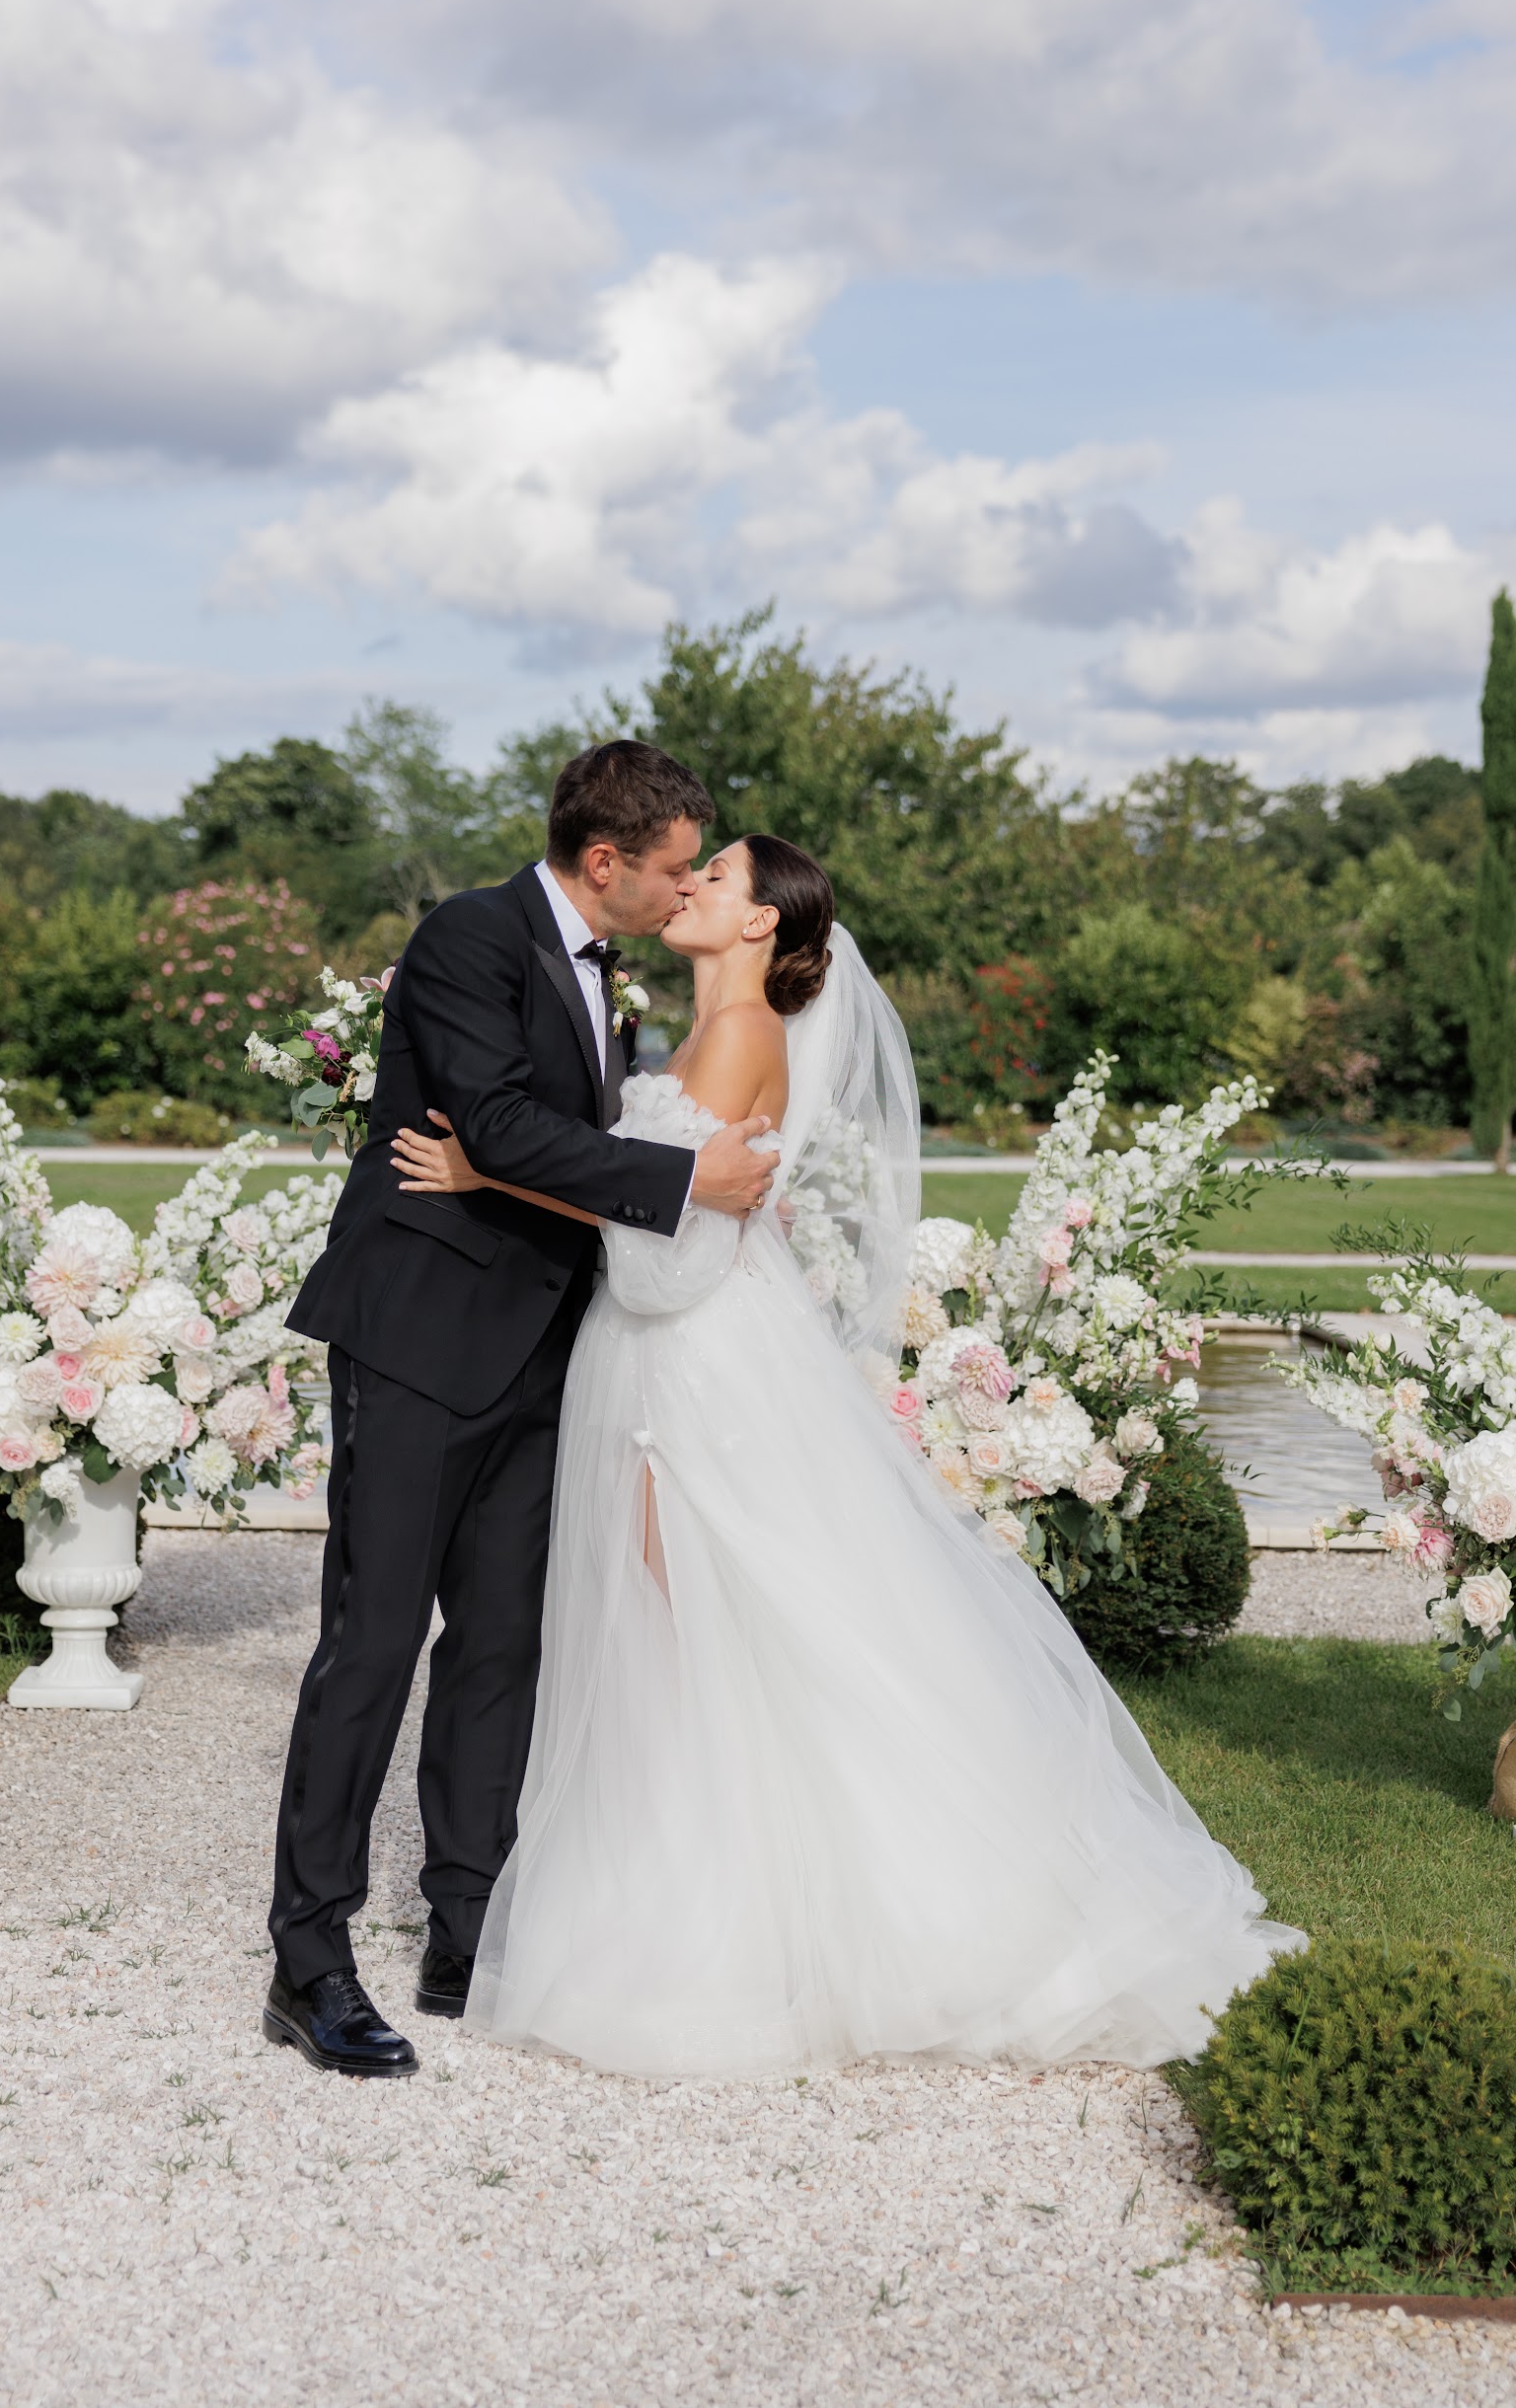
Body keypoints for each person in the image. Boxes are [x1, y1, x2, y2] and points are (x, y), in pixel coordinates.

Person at [391, 833, 1302, 2076]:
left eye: (716, 876)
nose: (693, 883)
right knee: (708, 1634)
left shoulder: (733, 1039)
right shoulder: (706, 1034)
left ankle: (770, 1922)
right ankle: (740, 1893)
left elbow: (665, 1258)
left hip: (686, 1369)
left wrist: (486, 1169)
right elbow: (663, 1193)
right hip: (682, 1359)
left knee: (704, 1634)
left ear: (763, 922)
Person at [264, 741, 776, 2077]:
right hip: (423, 1338)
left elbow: (516, 1148)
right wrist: (679, 1187)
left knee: (500, 1645)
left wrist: (520, 1176)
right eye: (670, 870)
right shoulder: (468, 937)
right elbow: (490, 1118)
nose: (679, 896)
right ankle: (307, 1959)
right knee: (371, 1643)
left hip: (544, 1352)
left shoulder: (607, 976)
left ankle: (465, 1920)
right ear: (603, 860)